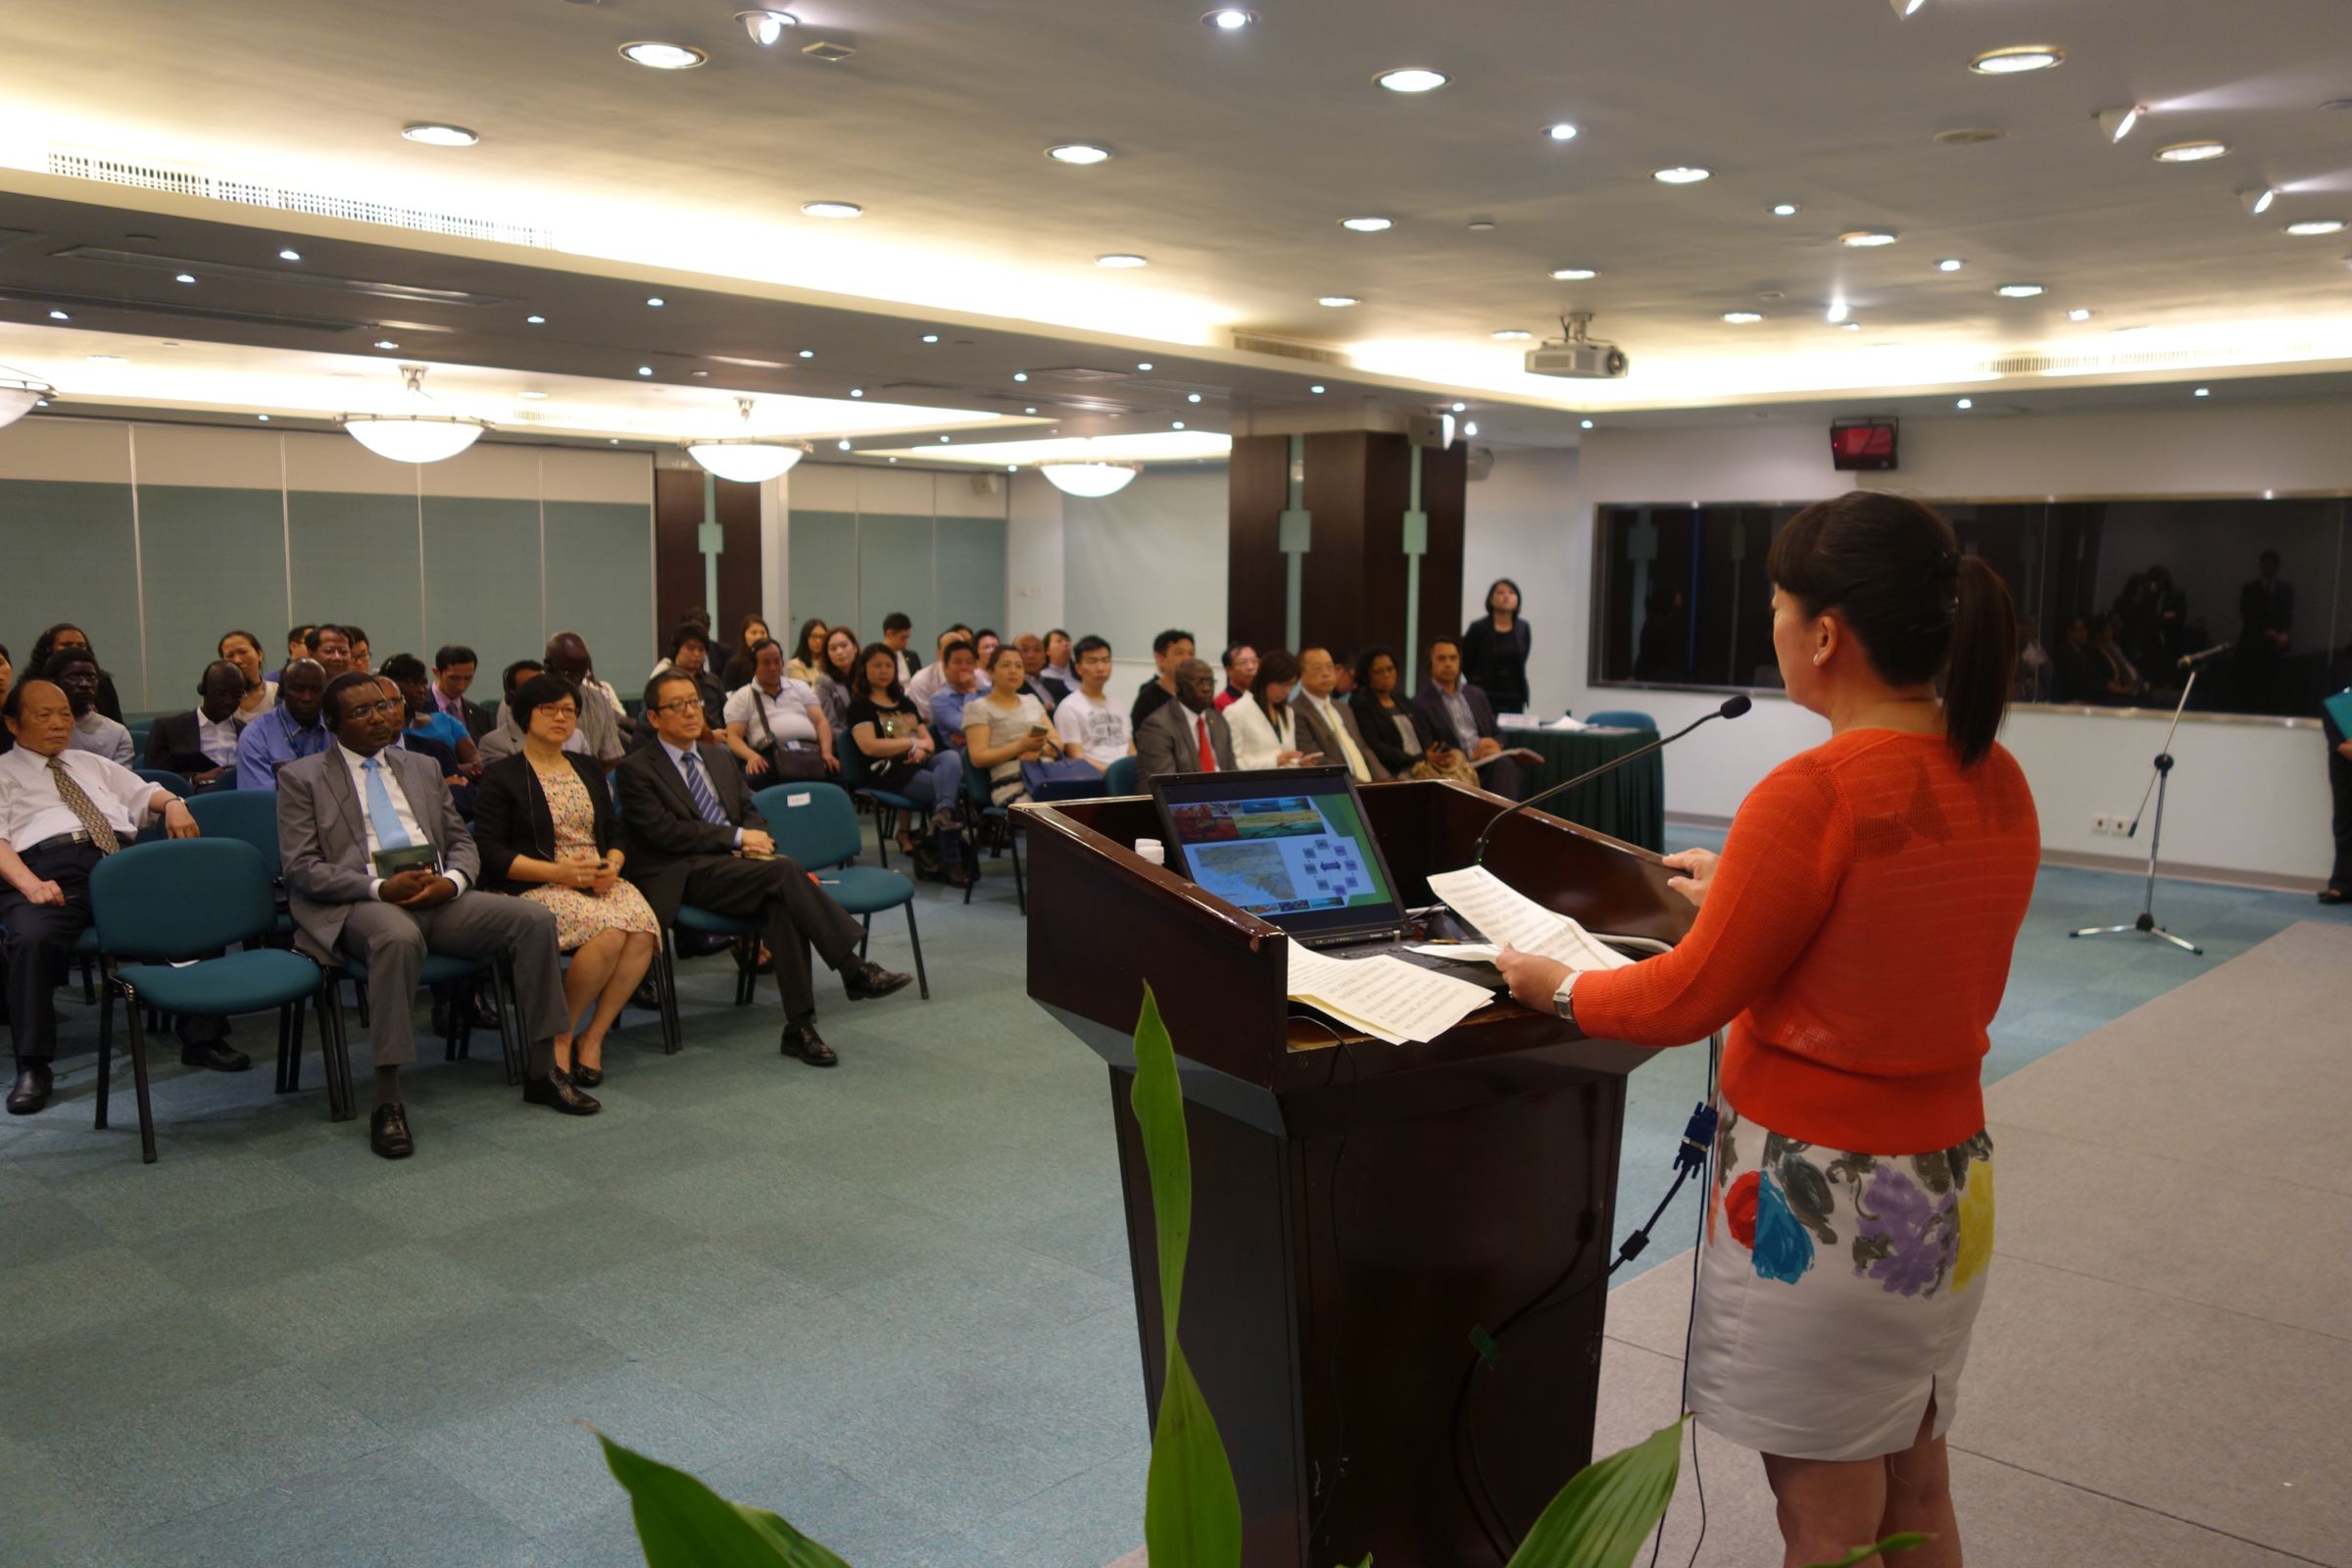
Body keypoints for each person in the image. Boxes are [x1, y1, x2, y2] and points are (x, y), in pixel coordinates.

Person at [1494, 490, 2035, 1568]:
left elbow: (1681, 1001)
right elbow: (1890, 950)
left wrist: (1554, 986)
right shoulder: (1997, 774)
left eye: (1780, 606)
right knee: (1918, 1488)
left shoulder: (1815, 790)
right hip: (1946, 1188)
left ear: (1825, 635)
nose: (1774, 626)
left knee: (1824, 1521)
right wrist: (1746, 893)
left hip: (1825, 1193)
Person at [279, 672, 592, 1158]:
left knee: (533, 920)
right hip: (362, 902)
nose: (380, 717)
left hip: (438, 894)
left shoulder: (423, 766)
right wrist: (380, 886)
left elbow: (461, 839)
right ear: (332, 723)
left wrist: (454, 881)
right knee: (397, 939)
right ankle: (388, 1099)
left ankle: (542, 1070)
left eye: (384, 706)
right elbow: (302, 868)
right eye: (361, 712)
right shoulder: (302, 777)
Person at [617, 669, 913, 1065]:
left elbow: (748, 810)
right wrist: (738, 838)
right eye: (677, 705)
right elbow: (665, 833)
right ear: (654, 717)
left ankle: (799, 1028)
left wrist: (756, 839)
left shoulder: (717, 755)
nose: (690, 712)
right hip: (684, 871)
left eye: (694, 702)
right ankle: (853, 968)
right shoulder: (636, 769)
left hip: (739, 868)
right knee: (786, 872)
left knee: (783, 902)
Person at [1, 679, 243, 1115]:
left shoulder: (89, 763)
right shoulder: (2, 772)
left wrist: (175, 804)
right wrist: (29, 883)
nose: (58, 723)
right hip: (49, 870)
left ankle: (202, 1037)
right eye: (44, 715)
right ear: (13, 724)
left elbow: (145, 793)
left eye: (64, 714)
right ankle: (33, 1065)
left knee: (197, 914)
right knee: (30, 940)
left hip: (120, 865)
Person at [470, 672, 659, 1086]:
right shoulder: (503, 775)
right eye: (549, 709)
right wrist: (558, 872)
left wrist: (612, 864)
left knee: (643, 929)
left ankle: (594, 1035)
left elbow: (614, 832)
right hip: (535, 885)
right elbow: (491, 853)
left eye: (569, 711)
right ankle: (562, 1034)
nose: (561, 718)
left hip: (596, 879)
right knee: (609, 932)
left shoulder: (587, 767)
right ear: (525, 715)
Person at [846, 643, 970, 885]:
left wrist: (921, 750)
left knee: (950, 758)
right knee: (946, 787)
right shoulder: (860, 707)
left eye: (888, 665)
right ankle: (952, 860)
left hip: (918, 762)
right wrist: (910, 743)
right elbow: (869, 746)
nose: (884, 670)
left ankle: (943, 815)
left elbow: (929, 742)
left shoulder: (904, 703)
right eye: (877, 665)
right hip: (888, 771)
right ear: (864, 669)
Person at [1412, 635, 1522, 798]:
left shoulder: (1476, 694)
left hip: (1487, 762)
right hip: (1455, 767)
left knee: (1506, 765)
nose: (1448, 663)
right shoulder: (1421, 703)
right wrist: (1471, 753)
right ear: (1430, 663)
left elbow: (1497, 732)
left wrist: (1496, 746)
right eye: (1442, 658)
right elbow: (1430, 745)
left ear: (1459, 661)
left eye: (1453, 658)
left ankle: (1506, 814)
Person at [1349, 646, 1471, 783]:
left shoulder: (1400, 698)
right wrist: (1419, 758)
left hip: (1424, 764)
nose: (1387, 675)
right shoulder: (1360, 703)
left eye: (1390, 669)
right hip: (1397, 770)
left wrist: (1442, 753)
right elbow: (1375, 746)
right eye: (1379, 671)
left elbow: (1423, 732)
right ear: (1366, 675)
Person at [723, 638, 839, 781]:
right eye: (766, 663)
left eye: (777, 661)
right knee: (753, 778)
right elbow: (733, 737)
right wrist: (751, 756)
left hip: (809, 751)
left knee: (835, 772)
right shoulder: (742, 697)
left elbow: (820, 722)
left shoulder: (800, 687)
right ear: (754, 667)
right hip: (769, 755)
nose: (773, 667)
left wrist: (826, 752)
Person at [964, 643, 1062, 806]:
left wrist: (1040, 751)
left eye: (1019, 666)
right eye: (1006, 665)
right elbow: (978, 758)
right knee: (1050, 811)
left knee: (1079, 805)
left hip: (1047, 777)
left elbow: (1058, 743)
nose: (1013, 670)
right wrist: (1020, 746)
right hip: (1011, 783)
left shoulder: (1032, 701)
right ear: (991, 672)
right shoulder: (978, 708)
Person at [145, 660, 251, 788]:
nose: (229, 701)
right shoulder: (168, 728)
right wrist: (194, 778)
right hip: (189, 796)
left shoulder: (248, 731)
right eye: (221, 693)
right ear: (203, 690)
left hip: (240, 793)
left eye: (237, 695)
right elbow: (153, 778)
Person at [1292, 647, 1389, 784]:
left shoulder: (1343, 708)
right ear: (1301, 674)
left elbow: (1363, 748)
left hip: (1367, 784)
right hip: (1338, 786)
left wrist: (1386, 780)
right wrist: (1357, 784)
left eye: (1329, 667)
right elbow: (1315, 760)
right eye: (1318, 668)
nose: (1326, 673)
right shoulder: (1296, 711)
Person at [1136, 657, 1237, 783]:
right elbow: (1166, 786)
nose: (1206, 688)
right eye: (1199, 682)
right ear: (1179, 687)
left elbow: (1233, 773)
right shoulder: (1157, 727)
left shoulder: (1218, 721)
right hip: (1182, 794)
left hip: (1221, 794)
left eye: (1210, 682)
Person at [235, 659, 331, 789]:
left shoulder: (338, 729)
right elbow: (261, 799)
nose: (307, 698)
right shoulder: (255, 736)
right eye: (298, 689)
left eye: (315, 690)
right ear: (282, 692)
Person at [382, 655, 481, 777]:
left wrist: (476, 766)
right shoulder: (384, 731)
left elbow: (474, 757)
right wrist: (455, 771)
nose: (421, 690)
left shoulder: (445, 720)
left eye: (424, 683)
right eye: (412, 683)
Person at [541, 633, 627, 765]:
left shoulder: (599, 700)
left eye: (582, 672)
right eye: (569, 673)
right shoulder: (528, 701)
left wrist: (590, 776)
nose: (577, 679)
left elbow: (611, 758)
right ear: (547, 667)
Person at [1226, 649, 1315, 770]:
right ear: (1266, 678)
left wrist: (1298, 762)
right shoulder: (1236, 712)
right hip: (1255, 781)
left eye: (1292, 685)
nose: (1287, 691)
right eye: (1283, 684)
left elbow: (1286, 755)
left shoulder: (1287, 711)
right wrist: (1274, 761)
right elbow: (1232, 763)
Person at [1054, 636, 1134, 770]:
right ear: (1078, 668)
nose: (1101, 667)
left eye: (1105, 661)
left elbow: (1131, 750)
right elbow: (1076, 758)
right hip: (1094, 778)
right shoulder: (1069, 707)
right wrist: (1114, 774)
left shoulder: (1120, 706)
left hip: (1127, 775)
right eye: (1092, 661)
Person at [46, 650, 135, 766]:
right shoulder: (34, 731)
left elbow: (120, 778)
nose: (85, 684)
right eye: (74, 676)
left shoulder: (117, 734)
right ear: (53, 682)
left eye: (91, 677)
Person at [1461, 577, 1532, 715]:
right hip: (1482, 694)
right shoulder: (1478, 628)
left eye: (1511, 593)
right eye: (1500, 592)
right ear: (1491, 599)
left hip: (1514, 695)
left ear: (1518, 600)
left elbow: (1523, 658)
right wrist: (1475, 683)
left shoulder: (1523, 628)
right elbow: (1465, 662)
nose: (1506, 596)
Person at [27, 624, 125, 722]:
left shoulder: (102, 681)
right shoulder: (31, 684)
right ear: (49, 649)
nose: (75, 649)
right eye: (66, 645)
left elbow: (116, 721)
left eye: (81, 646)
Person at [2236, 550, 2294, 715]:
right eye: (2266, 564)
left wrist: (2284, 633)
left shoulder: (2285, 589)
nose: (2269, 567)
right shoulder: (2250, 589)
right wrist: (2264, 631)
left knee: (2272, 688)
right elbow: (2247, 615)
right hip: (2252, 646)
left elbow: (2288, 614)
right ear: (2261, 566)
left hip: (2275, 648)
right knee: (2251, 687)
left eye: (2272, 564)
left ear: (2277, 567)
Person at [647, 624, 729, 736]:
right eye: (691, 648)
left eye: (701, 649)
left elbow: (727, 716)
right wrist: (709, 736)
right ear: (676, 649)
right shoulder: (664, 683)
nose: (696, 654)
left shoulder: (713, 681)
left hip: (719, 740)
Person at [2321, 640, 2352, 906]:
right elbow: (2329, 705)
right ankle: (2341, 882)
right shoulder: (2342, 661)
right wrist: (2341, 743)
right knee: (2344, 820)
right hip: (2343, 751)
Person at [906, 625, 979, 720]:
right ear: (939, 654)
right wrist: (971, 691)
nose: (963, 666)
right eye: (949, 651)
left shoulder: (978, 676)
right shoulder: (921, 681)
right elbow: (925, 720)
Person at [1131, 628, 1197, 729]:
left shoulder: (1199, 694)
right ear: (1160, 659)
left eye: (1191, 653)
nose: (1187, 659)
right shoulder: (1148, 699)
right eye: (1179, 653)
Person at [927, 639, 987, 745]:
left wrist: (966, 739)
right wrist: (971, 691)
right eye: (957, 662)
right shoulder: (939, 700)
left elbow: (1002, 724)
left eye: (969, 662)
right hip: (961, 753)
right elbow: (965, 727)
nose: (964, 667)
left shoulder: (986, 692)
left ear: (975, 666)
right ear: (945, 667)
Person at [432, 645, 494, 738]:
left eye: (468, 678)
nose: (461, 686)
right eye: (454, 678)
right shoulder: (416, 709)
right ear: (436, 672)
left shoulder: (481, 715)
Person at [219, 629, 277, 724]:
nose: (237, 660)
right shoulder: (218, 700)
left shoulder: (278, 694)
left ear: (259, 654)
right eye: (230, 655)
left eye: (243, 652)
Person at [815, 624, 861, 732]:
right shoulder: (824, 682)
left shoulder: (866, 676)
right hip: (844, 738)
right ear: (827, 654)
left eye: (844, 646)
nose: (839, 652)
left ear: (855, 647)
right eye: (833, 648)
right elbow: (829, 726)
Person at [718, 614, 772, 691]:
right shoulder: (734, 665)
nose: (758, 637)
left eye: (763, 633)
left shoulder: (772, 663)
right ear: (744, 635)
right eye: (753, 632)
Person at [1011, 633, 1060, 713]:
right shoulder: (1011, 688)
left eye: (1037, 650)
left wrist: (1052, 706)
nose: (1031, 655)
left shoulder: (1058, 684)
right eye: (1025, 650)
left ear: (1044, 657)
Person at [785, 617, 830, 685]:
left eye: (822, 637)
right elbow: (804, 690)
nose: (818, 641)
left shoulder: (830, 663)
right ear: (805, 638)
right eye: (814, 636)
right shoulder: (795, 665)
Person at [881, 612, 918, 686]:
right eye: (903, 638)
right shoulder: (875, 659)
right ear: (889, 634)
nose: (906, 642)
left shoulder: (912, 657)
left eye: (907, 638)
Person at [1215, 644, 1257, 711]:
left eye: (1254, 661)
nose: (1251, 667)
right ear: (1228, 670)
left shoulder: (1261, 698)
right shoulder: (1220, 704)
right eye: (1243, 662)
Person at [1039, 628, 1077, 702]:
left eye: (1068, 640)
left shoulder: (1081, 673)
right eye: (1059, 641)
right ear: (1047, 650)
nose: (1065, 644)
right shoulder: (1042, 677)